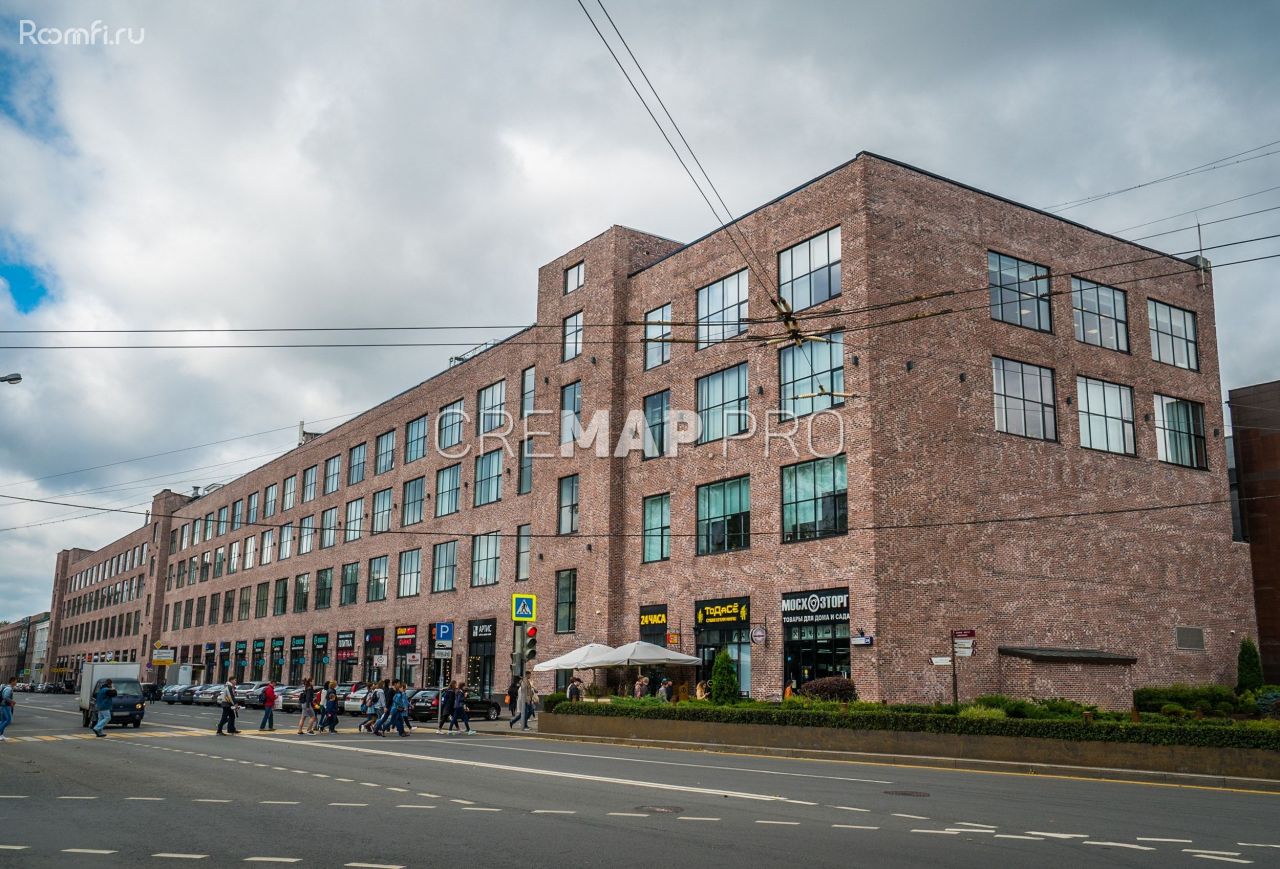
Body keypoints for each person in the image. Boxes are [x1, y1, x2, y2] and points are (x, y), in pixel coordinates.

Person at [0, 676, 17, 741]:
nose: (16, 683)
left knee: (3, 720)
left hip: (3, 705)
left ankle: (1, 735)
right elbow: (5, 697)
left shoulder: (7, 687)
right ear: (12, 681)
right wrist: (12, 702)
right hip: (5, 706)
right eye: (15, 681)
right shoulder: (9, 689)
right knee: (8, 720)